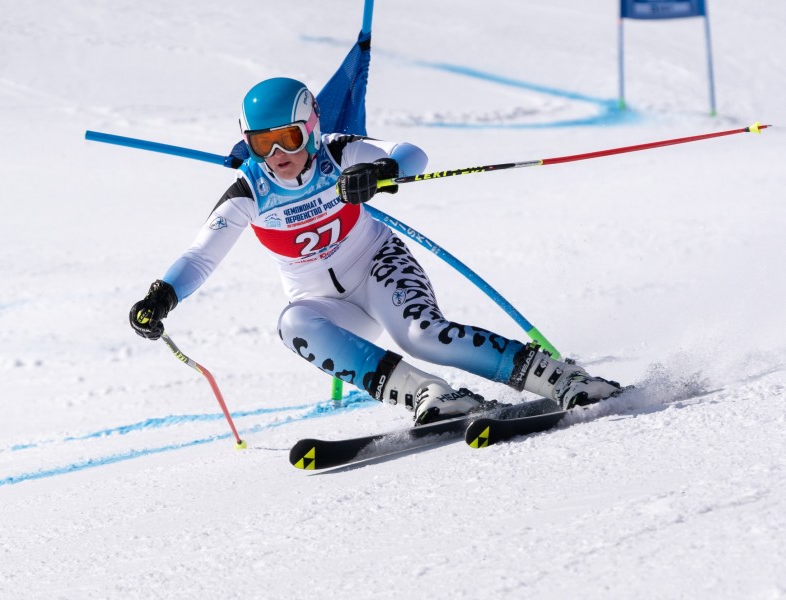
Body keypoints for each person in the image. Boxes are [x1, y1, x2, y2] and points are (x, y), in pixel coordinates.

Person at [129, 77, 621, 425]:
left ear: (312, 126)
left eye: (289, 138)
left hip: (379, 267)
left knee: (420, 336)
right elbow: (200, 256)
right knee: (292, 324)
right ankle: (429, 395)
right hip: (325, 302)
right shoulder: (249, 192)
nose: (278, 156)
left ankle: (557, 377)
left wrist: (380, 171)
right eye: (262, 144)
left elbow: (411, 152)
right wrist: (162, 296)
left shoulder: (337, 153)